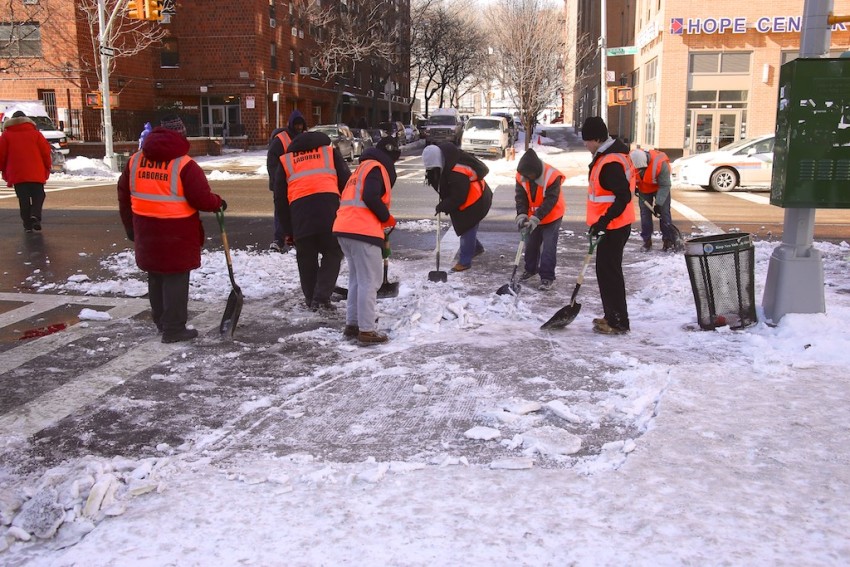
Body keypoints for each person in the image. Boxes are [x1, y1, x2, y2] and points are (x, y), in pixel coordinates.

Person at [117, 115, 226, 344]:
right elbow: (201, 199)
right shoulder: (185, 165)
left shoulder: (135, 161)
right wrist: (218, 202)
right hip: (177, 231)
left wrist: (130, 227)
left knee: (155, 275)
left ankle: (161, 322)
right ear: (182, 136)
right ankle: (174, 328)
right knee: (176, 278)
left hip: (146, 228)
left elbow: (124, 195)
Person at [274, 128, 351, 311]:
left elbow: (280, 200)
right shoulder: (329, 153)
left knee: (306, 257)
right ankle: (322, 297)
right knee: (333, 252)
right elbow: (347, 183)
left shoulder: (286, 161)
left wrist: (287, 230)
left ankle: (311, 300)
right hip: (328, 211)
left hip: (300, 214)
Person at [333, 137, 399, 345]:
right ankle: (367, 330)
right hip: (362, 231)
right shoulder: (377, 169)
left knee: (356, 280)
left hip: (345, 228)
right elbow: (370, 196)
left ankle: (352, 325)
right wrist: (385, 217)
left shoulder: (361, 168)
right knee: (370, 281)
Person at [580, 116, 635, 335]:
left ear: (596, 138)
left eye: (586, 141)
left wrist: (603, 222)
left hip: (614, 226)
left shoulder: (610, 162)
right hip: (612, 225)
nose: (585, 146)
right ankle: (612, 315)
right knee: (605, 272)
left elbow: (623, 197)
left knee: (610, 273)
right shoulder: (610, 156)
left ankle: (619, 321)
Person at [421, 143, 492, 272]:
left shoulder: (457, 171)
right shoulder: (445, 162)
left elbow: (458, 197)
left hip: (477, 200)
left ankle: (465, 262)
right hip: (467, 198)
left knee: (467, 227)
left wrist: (443, 205)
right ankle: (476, 248)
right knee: (462, 225)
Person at [514, 148, 566, 291]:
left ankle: (547, 277)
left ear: (536, 172)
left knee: (548, 247)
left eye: (529, 175)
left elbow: (551, 200)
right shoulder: (521, 176)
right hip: (532, 216)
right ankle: (530, 270)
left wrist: (536, 218)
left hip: (552, 215)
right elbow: (521, 197)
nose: (527, 177)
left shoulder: (551, 176)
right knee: (531, 244)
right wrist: (522, 215)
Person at [0, 110, 52, 233]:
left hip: (17, 173)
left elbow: (1, 155)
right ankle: (35, 216)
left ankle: (27, 224)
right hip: (36, 171)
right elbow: (45, 152)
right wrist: (47, 167)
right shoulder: (36, 134)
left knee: (23, 199)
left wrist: (3, 169)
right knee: (39, 195)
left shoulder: (6, 135)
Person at [266, 109, 307, 252]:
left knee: (297, 211)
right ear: (291, 124)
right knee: (281, 211)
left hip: (297, 183)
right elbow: (272, 162)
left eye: (301, 125)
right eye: (296, 125)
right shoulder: (281, 139)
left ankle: (295, 237)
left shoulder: (304, 138)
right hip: (283, 184)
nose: (299, 128)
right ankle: (278, 239)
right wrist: (279, 181)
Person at [629, 148, 675, 252]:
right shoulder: (630, 160)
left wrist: (658, 204)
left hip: (660, 188)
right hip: (643, 189)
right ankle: (647, 241)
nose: (641, 171)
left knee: (664, 213)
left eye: (643, 169)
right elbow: (627, 177)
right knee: (645, 214)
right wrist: (632, 187)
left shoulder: (660, 162)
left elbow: (665, 185)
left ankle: (668, 240)